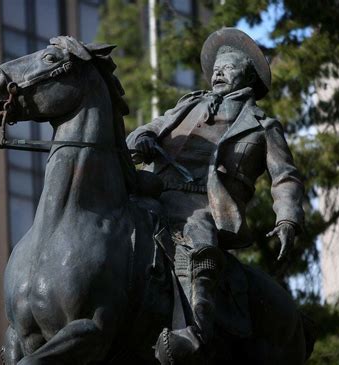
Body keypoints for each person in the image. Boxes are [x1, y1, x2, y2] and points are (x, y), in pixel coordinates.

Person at [126, 28, 304, 362]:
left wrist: (288, 217)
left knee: (198, 237)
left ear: (247, 75)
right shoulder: (188, 104)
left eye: (228, 66)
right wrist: (142, 140)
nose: (218, 72)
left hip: (203, 203)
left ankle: (194, 329)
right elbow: (147, 129)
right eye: (216, 67)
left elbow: (285, 177)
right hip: (153, 189)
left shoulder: (262, 124)